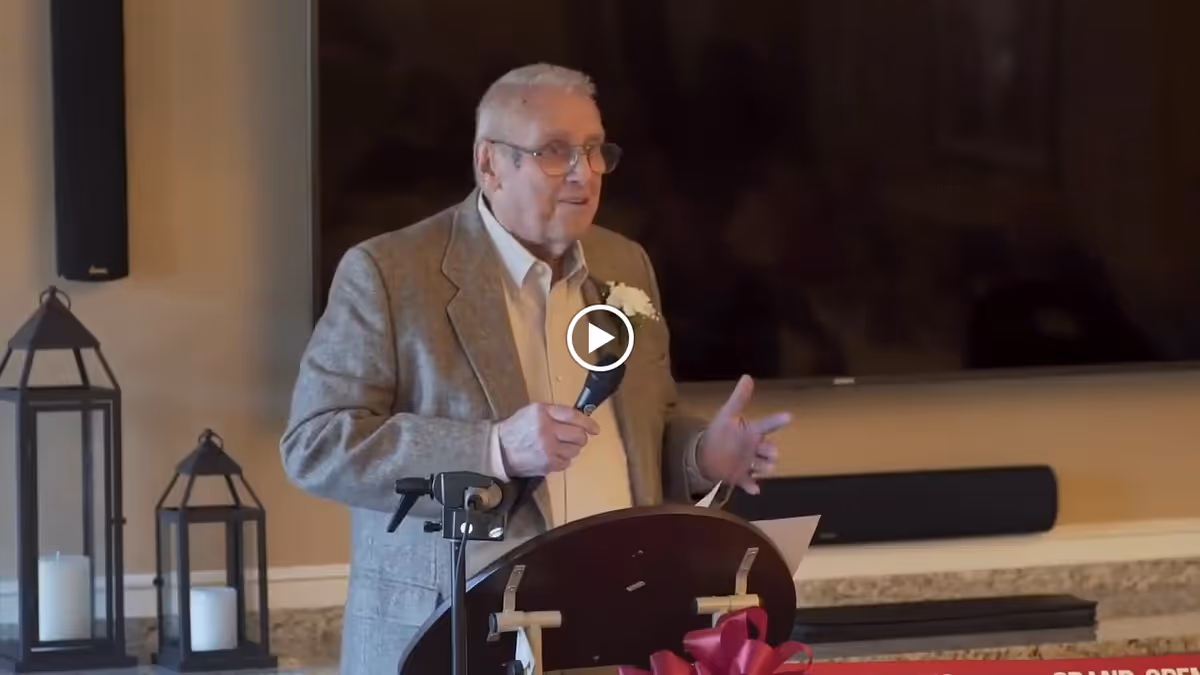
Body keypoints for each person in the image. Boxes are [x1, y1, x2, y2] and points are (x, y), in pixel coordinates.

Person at [280, 63, 793, 675]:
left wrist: (702, 456)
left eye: (595, 150)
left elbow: (647, 426)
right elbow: (317, 445)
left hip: (616, 640)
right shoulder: (389, 274)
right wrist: (494, 449)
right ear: (490, 165)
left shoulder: (625, 263)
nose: (585, 172)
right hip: (452, 644)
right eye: (555, 152)